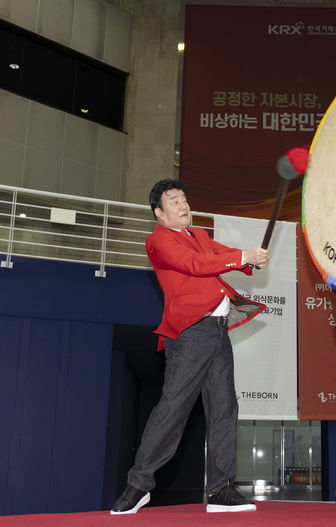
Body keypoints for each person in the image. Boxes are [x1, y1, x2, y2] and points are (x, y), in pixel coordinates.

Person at [111, 178, 269, 514]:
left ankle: (221, 489)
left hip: (218, 332)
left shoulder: (198, 235)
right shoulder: (158, 242)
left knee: (225, 409)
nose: (183, 205)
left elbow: (219, 254)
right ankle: (138, 486)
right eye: (174, 201)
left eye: (184, 199)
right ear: (159, 213)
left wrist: (249, 260)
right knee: (172, 409)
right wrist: (244, 255)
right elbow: (196, 265)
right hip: (190, 335)